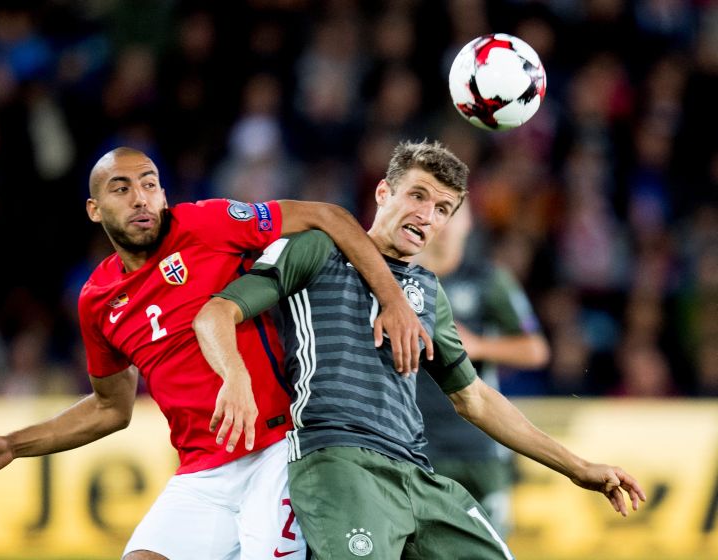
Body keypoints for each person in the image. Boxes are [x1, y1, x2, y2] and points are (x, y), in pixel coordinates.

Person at [0, 147, 433, 560]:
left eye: (150, 184)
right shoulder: (96, 301)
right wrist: (15, 445)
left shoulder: (208, 224)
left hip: (281, 449)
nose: (140, 199)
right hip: (203, 473)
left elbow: (329, 217)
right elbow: (112, 408)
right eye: (121, 188)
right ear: (94, 209)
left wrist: (392, 300)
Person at [193, 140, 646, 559]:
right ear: (383, 192)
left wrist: (577, 467)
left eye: (444, 208)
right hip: (340, 463)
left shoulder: (428, 292)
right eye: (418, 196)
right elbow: (215, 313)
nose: (429, 216)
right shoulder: (316, 248)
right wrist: (235, 377)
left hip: (419, 476)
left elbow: (475, 398)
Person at [412, 201, 551, 537]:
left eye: (453, 214)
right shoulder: (396, 280)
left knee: (490, 545)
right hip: (414, 442)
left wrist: (479, 345)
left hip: (478, 444)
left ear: (469, 223)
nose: (444, 225)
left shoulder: (488, 280)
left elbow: (536, 349)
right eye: (437, 214)